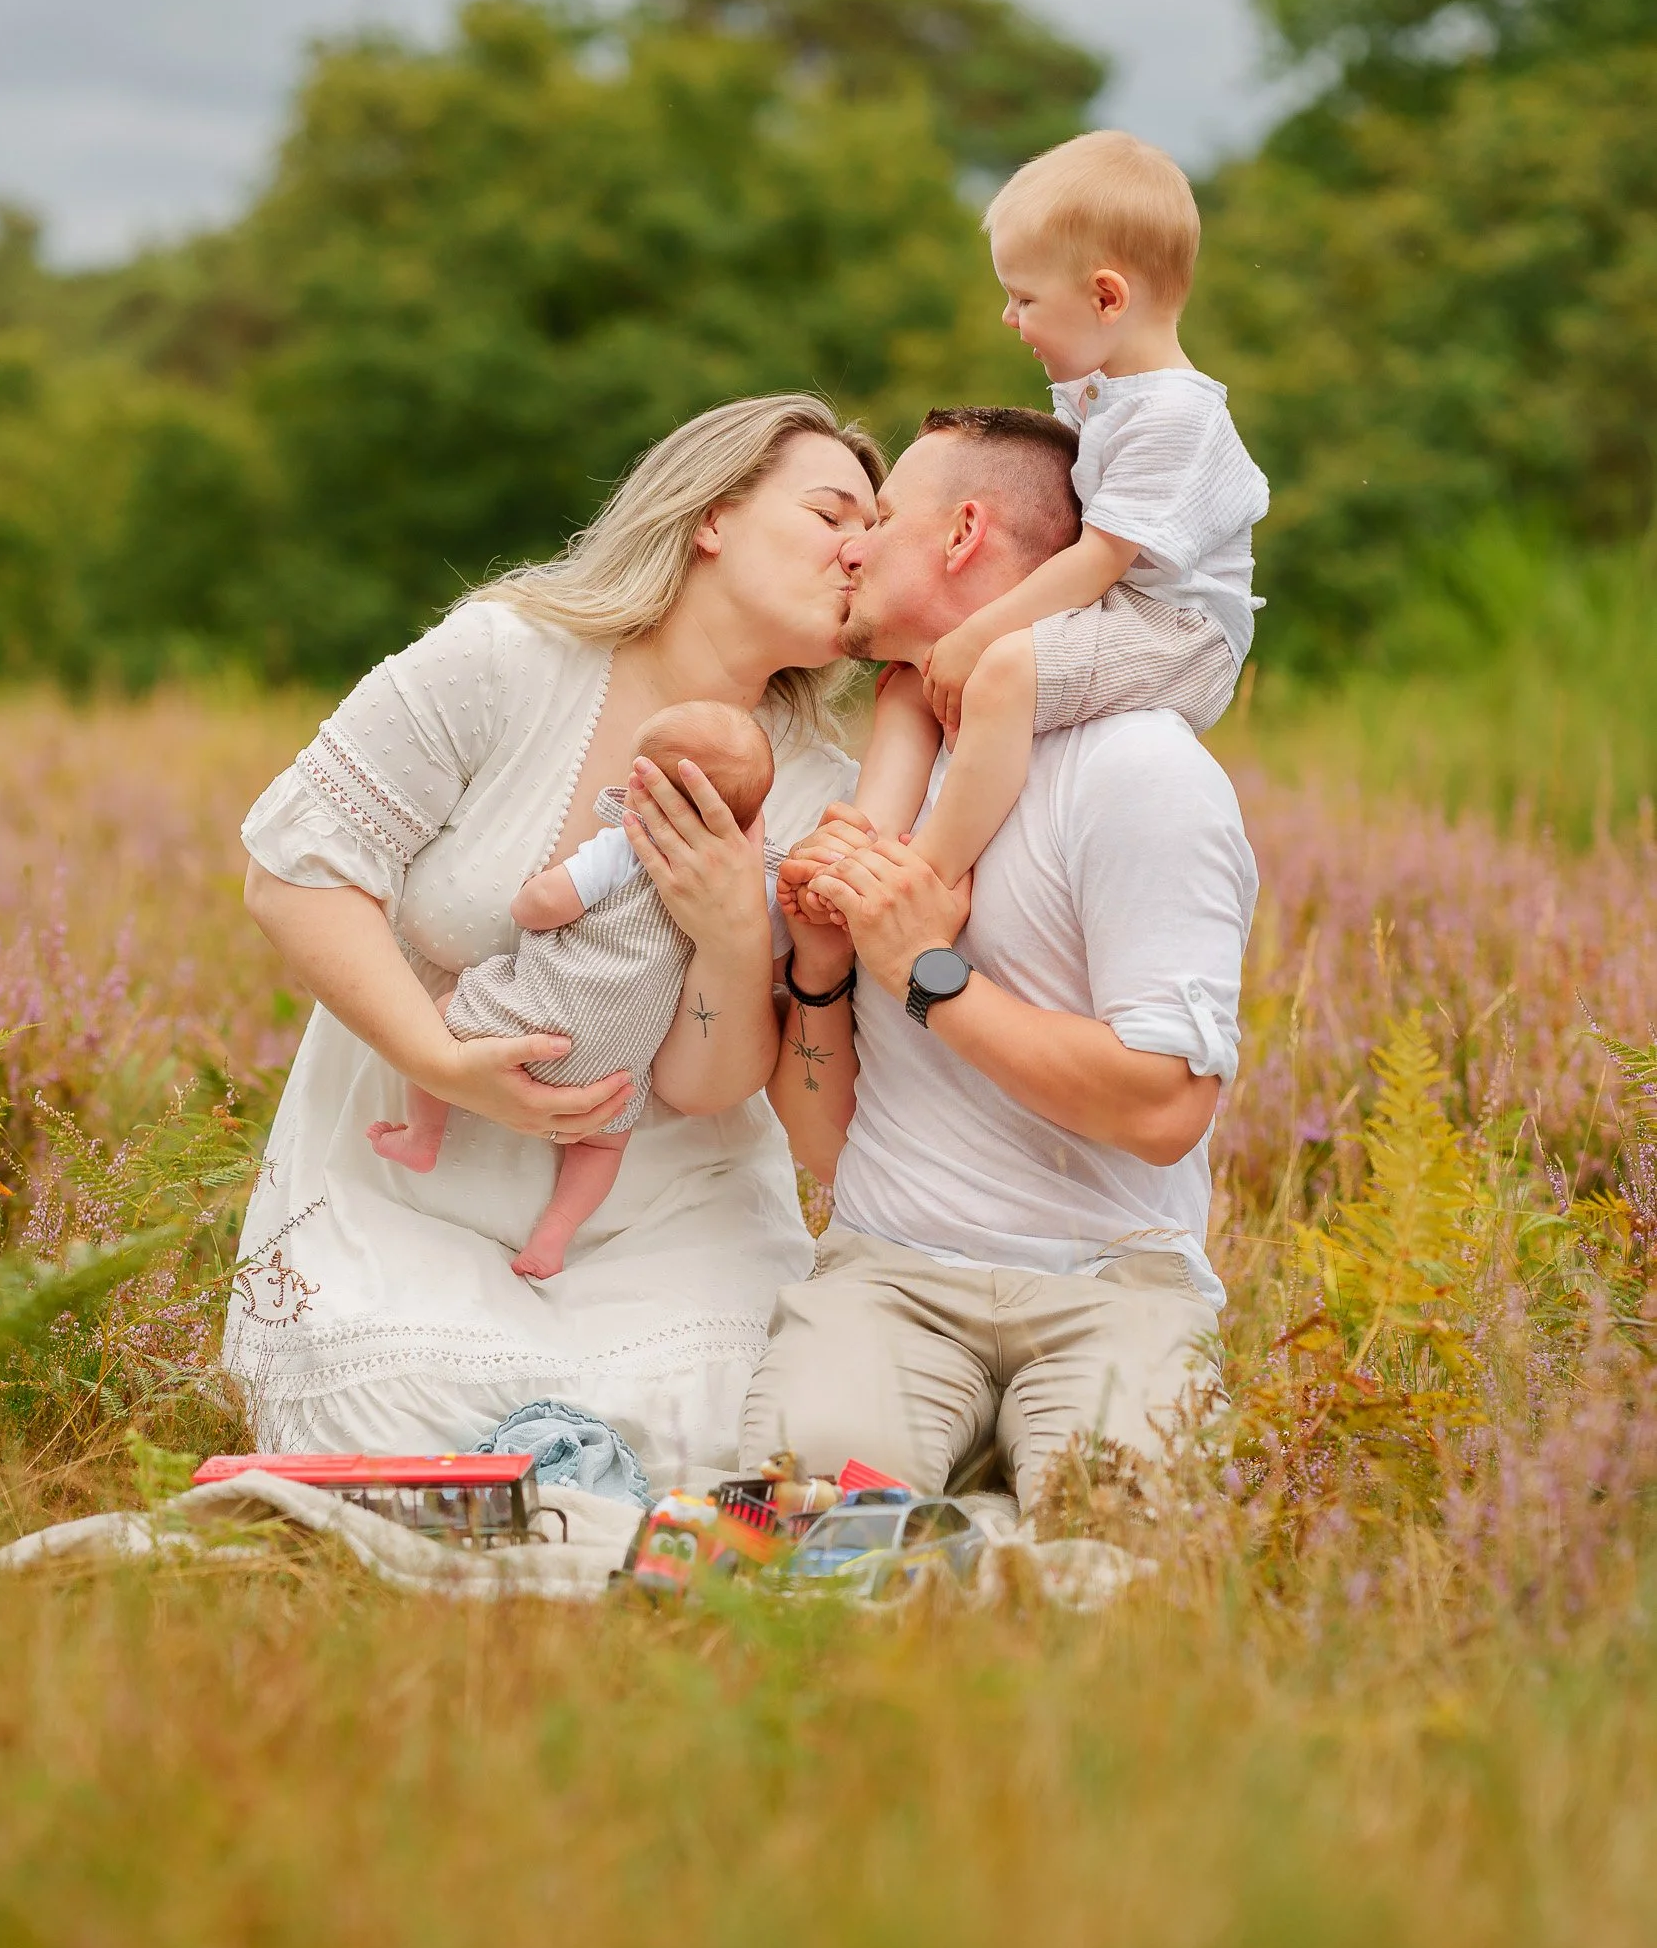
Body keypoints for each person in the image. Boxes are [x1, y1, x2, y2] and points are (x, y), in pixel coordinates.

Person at [230, 394, 882, 1486]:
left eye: (876, 530)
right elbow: (293, 872)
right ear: (710, 517)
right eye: (829, 513)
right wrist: (442, 1063)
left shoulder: (819, 787)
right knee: (396, 1400)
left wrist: (728, 931)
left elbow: (708, 1085)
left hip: (663, 1207)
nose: (861, 548)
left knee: (737, 1421)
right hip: (408, 1174)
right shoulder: (506, 658)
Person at [745, 404, 1258, 1511]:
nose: (853, 543)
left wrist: (929, 973)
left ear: (962, 532)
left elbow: (1166, 1106)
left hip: (1110, 1286)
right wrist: (825, 964)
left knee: (1114, 1536)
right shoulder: (887, 778)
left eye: (878, 517)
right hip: (886, 1276)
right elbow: (825, 1144)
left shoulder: (1136, 772)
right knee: (797, 1526)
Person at [811, 130, 1268, 902]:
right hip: (1129, 608)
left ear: (1105, 297)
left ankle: (929, 870)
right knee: (921, 675)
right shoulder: (1102, 390)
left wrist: (975, 634)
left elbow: (1097, 561)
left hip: (1183, 631)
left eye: (1024, 299)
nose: (1006, 316)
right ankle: (880, 833)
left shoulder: (1172, 414)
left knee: (1002, 669)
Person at [367, 700, 782, 1282]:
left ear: (644, 787)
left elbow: (538, 908)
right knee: (600, 1149)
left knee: (436, 1016)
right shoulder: (748, 883)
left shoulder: (624, 848)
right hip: (613, 1073)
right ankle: (555, 1235)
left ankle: (424, 1134)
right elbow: (774, 950)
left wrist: (534, 891)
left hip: (529, 1021)